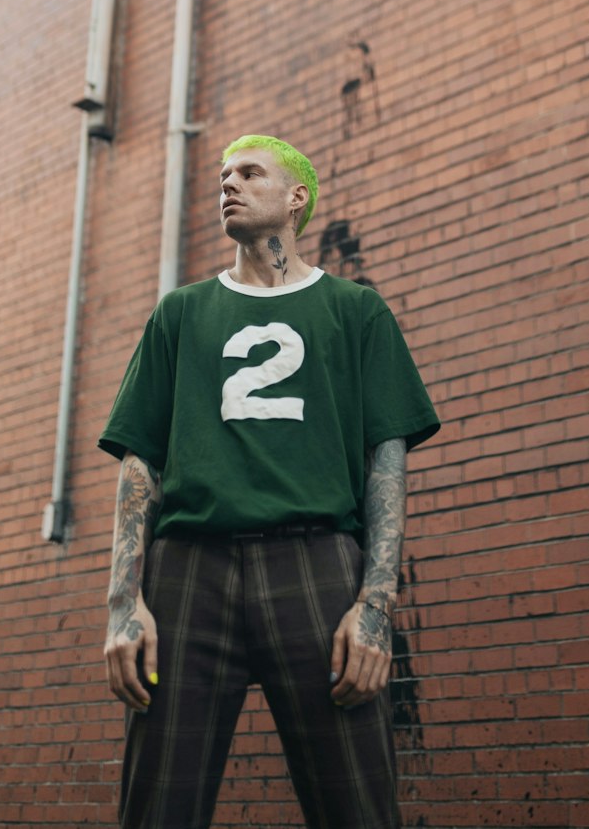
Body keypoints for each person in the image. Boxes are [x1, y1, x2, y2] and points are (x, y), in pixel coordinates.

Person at [99, 133, 439, 829]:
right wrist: (121, 603)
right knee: (156, 806)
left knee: (357, 805)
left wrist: (375, 606)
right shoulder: (180, 313)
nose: (229, 183)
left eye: (250, 172)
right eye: (223, 175)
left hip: (315, 561)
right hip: (188, 569)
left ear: (296, 198)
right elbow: (141, 465)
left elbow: (387, 463)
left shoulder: (356, 310)